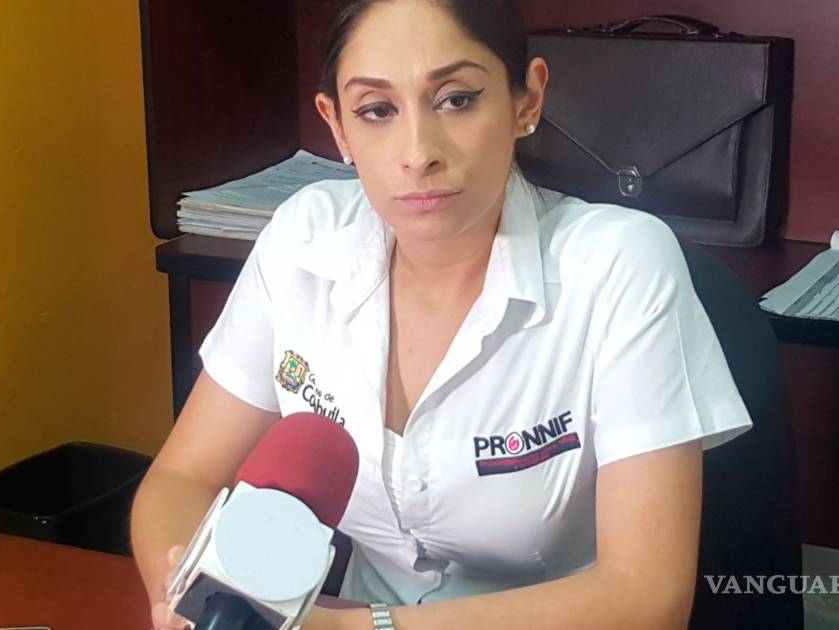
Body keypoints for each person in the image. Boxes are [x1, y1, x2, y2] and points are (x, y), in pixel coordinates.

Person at [132, 1, 753, 628]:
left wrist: (353, 629)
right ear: (337, 126)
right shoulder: (302, 240)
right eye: (376, 110)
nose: (417, 153)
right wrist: (182, 590)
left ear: (527, 100)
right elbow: (183, 478)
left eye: (456, 99)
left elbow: (646, 598)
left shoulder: (621, 264)